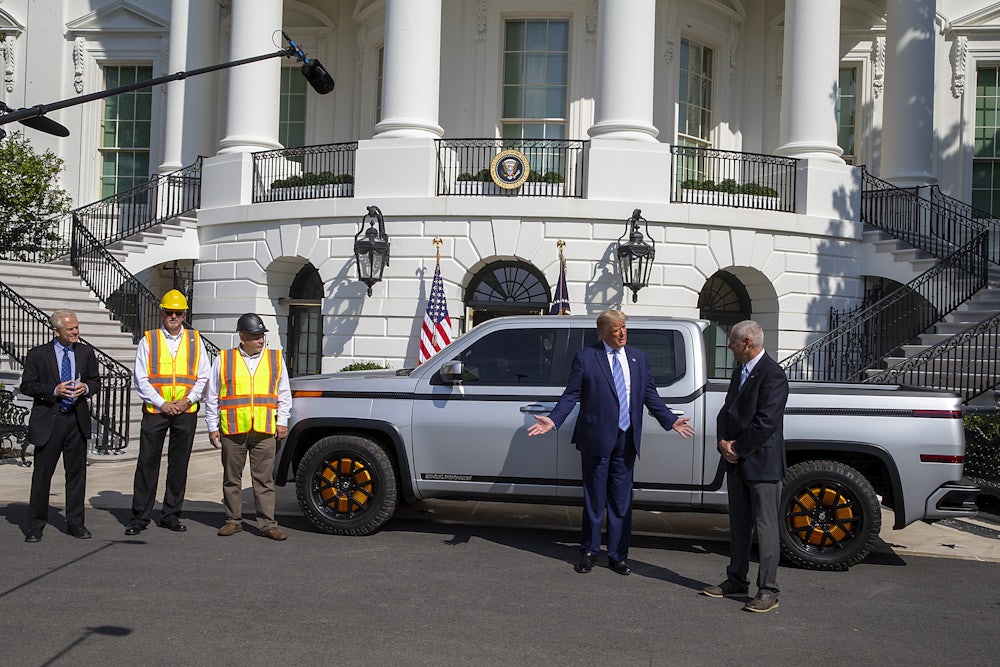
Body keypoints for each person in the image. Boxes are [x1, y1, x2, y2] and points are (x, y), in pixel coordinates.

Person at [527, 309, 695, 575]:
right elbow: (572, 394)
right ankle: (590, 551)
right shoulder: (586, 357)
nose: (622, 333)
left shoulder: (639, 358)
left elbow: (649, 393)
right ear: (602, 332)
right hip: (596, 437)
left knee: (621, 500)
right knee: (595, 499)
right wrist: (554, 419)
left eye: (624, 327)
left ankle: (618, 555)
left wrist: (669, 420)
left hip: (627, 438)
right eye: (616, 329)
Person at [702, 320, 789, 613]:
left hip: (761, 464)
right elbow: (727, 410)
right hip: (736, 462)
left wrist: (737, 447)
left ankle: (769, 590)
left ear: (748, 343)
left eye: (733, 342)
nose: (729, 347)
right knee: (739, 525)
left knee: (765, 528)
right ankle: (736, 579)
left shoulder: (773, 375)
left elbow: (766, 422)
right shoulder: (740, 370)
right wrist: (722, 442)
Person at [126, 290, 211, 535]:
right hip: (156, 410)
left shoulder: (196, 340)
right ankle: (140, 517)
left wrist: (188, 400)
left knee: (179, 464)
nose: (173, 316)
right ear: (161, 312)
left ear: (185, 314)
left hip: (186, 410)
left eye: (178, 313)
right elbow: (140, 378)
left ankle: (171, 514)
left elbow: (203, 375)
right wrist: (162, 402)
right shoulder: (149, 340)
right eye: (169, 312)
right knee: (147, 463)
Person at [203, 313, 292, 540]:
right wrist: (212, 427)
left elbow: (284, 393)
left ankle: (267, 524)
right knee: (232, 478)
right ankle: (233, 521)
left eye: (262, 336)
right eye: (255, 336)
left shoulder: (275, 358)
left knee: (264, 479)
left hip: (264, 429)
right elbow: (212, 396)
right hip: (233, 430)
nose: (260, 340)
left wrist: (282, 421)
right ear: (242, 337)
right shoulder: (224, 359)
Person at [20, 310, 100, 543]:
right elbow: (28, 386)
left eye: (76, 327)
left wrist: (85, 388)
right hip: (50, 420)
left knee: (76, 476)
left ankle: (75, 523)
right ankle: (35, 526)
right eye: (70, 329)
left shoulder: (86, 352)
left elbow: (95, 381)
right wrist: (54, 390)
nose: (75, 332)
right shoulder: (38, 355)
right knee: (42, 476)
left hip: (76, 420)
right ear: (56, 331)